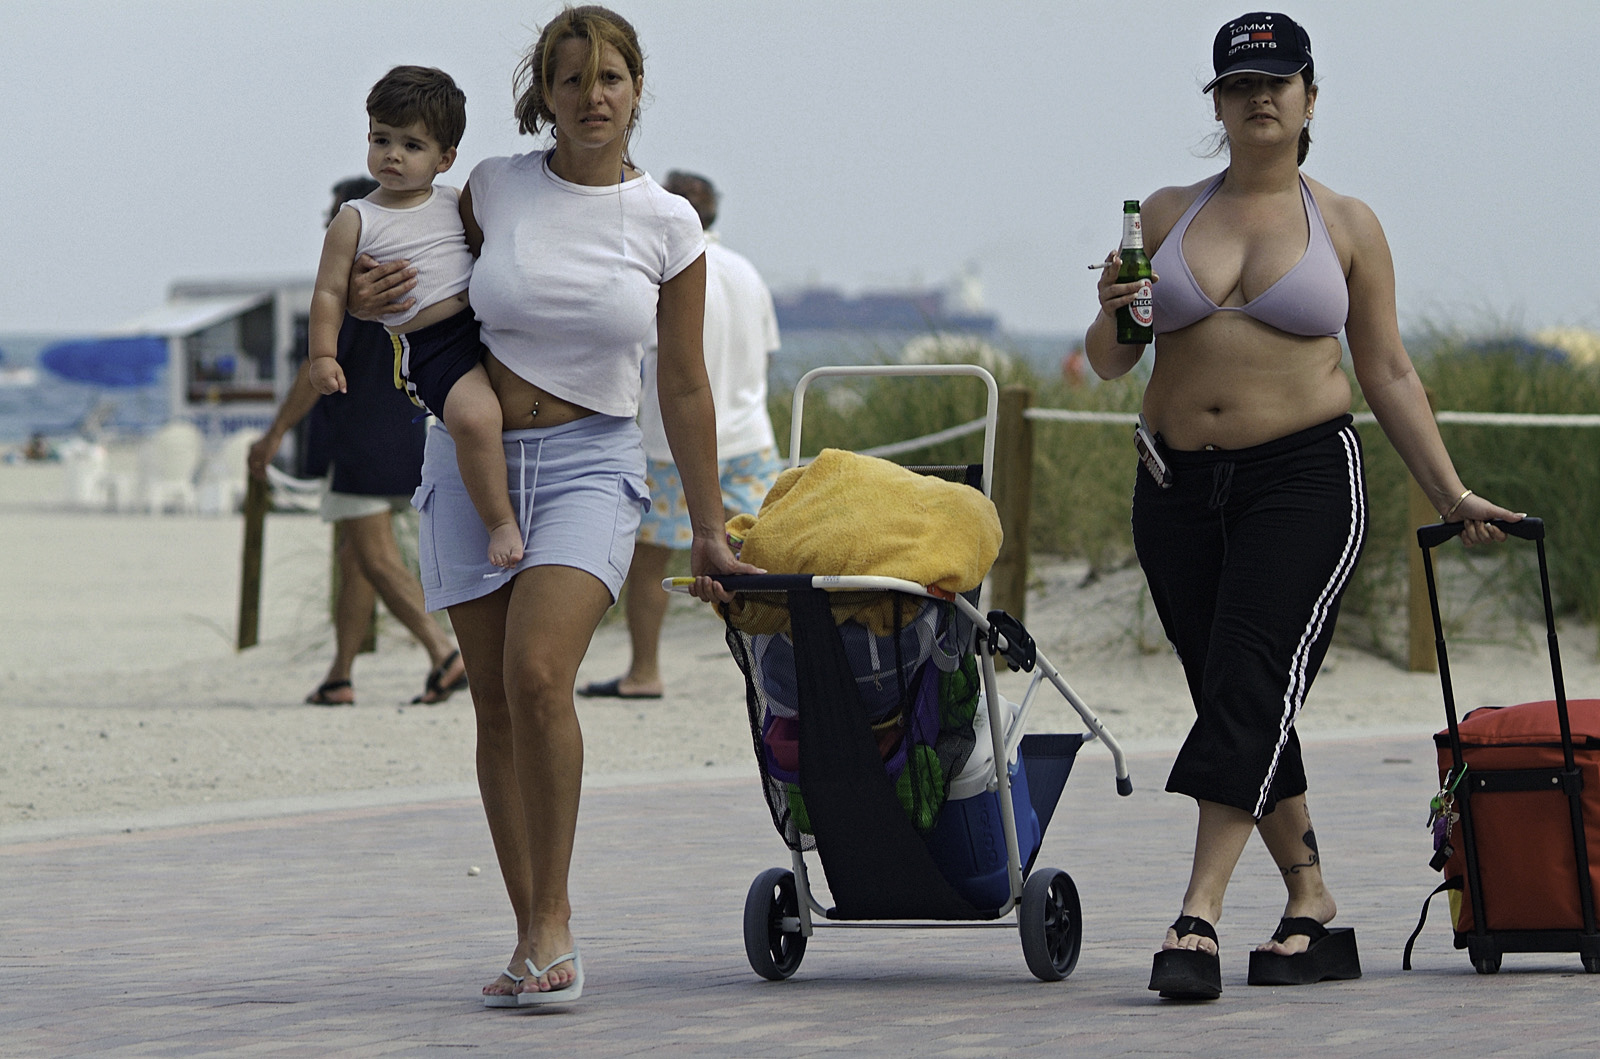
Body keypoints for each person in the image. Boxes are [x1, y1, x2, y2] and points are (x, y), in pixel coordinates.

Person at [1085, 11, 1519, 1001]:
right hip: (1175, 487)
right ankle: (1310, 903)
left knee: (1248, 681)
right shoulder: (1162, 214)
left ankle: (1195, 915)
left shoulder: (1347, 224)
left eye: (1279, 81)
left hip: (1304, 480)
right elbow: (1113, 361)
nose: (1260, 98)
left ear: (1310, 97)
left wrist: (1450, 492)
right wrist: (1112, 310)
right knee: (1238, 695)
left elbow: (1390, 372)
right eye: (1240, 85)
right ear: (1216, 104)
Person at [349, 5, 755, 1007]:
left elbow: (688, 385)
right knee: (492, 702)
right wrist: (365, 296)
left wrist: (708, 528)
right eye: (570, 80)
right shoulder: (491, 188)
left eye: (609, 77)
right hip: (471, 463)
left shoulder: (668, 222)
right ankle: (526, 931)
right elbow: (420, 279)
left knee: (540, 677)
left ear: (636, 89)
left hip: (588, 461)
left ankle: (556, 918)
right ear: (545, 93)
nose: (590, 97)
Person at [248, 177, 469, 707]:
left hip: (360, 438)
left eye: (337, 212)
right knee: (355, 558)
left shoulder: (350, 284)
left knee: (374, 557)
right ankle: (340, 674)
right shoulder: (417, 271)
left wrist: (275, 433)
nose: (330, 222)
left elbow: (314, 369)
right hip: (412, 434)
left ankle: (442, 653)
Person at [309, 66, 523, 570]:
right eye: (382, 139)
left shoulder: (455, 202)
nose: (393, 155)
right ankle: (499, 522)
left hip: (484, 327)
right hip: (430, 345)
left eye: (412, 145)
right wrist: (322, 353)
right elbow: (327, 292)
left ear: (445, 158)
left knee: (515, 411)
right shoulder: (356, 218)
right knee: (475, 417)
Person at [579, 170, 782, 700]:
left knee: (650, 561)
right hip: (749, 435)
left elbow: (642, 360)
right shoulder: (746, 272)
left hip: (672, 444)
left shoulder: (660, 272)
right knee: (766, 558)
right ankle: (784, 668)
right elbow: (767, 354)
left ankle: (644, 671)